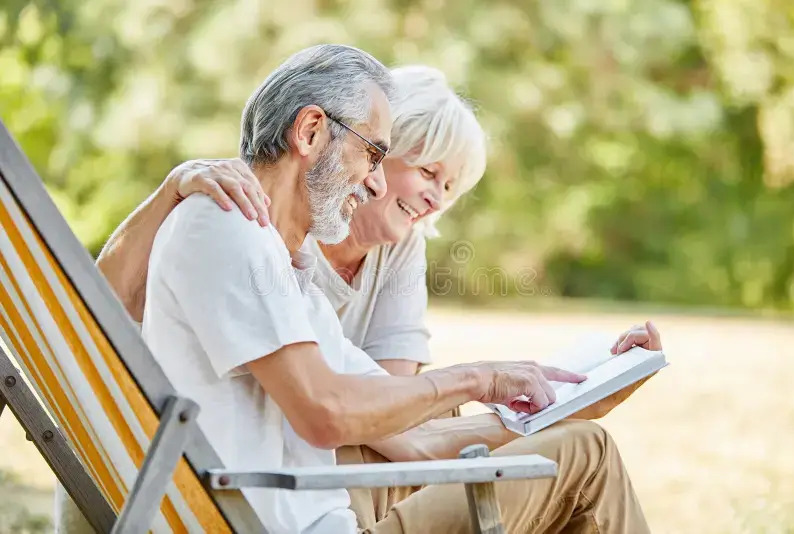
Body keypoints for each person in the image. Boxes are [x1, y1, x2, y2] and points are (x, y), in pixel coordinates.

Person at [59, 44, 659, 533]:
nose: (375, 183)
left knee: (579, 441)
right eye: (374, 154)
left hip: (320, 510)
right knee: (587, 455)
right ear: (311, 131)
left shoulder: (285, 270)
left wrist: (576, 401)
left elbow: (414, 438)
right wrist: (478, 378)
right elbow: (326, 415)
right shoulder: (224, 227)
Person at [97, 64, 487, 378]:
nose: (437, 199)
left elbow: (391, 398)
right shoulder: (267, 214)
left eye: (449, 187)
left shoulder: (401, 246)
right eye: (428, 172)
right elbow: (105, 306)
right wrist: (172, 187)